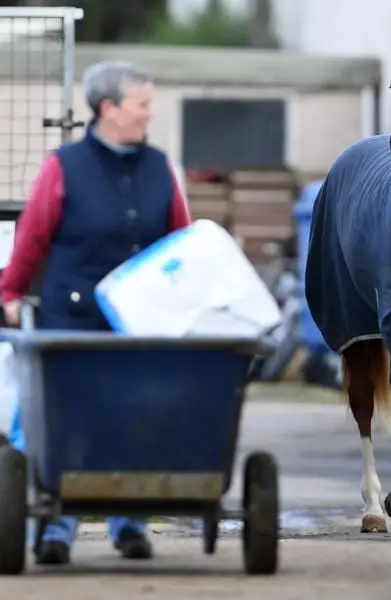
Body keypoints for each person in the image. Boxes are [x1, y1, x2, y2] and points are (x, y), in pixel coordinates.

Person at [0, 59, 192, 563]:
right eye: (142, 104)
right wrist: (9, 293)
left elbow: (181, 242)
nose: (150, 114)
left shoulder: (159, 168)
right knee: (64, 423)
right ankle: (53, 531)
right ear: (109, 108)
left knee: (134, 419)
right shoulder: (62, 167)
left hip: (140, 323)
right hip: (73, 322)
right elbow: (32, 239)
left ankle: (129, 525)